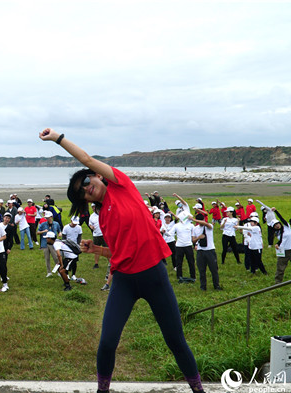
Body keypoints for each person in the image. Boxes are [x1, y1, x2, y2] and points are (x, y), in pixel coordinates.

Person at [39, 128, 205, 393]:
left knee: (175, 340)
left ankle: (198, 389)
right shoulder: (102, 216)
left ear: (94, 176)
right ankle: (102, 390)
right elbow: (118, 253)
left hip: (154, 275)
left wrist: (58, 138)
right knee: (107, 343)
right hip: (125, 281)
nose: (86, 190)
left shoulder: (120, 185)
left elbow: (87, 160)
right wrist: (95, 249)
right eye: (82, 195)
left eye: (85, 183)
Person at [271, 208, 291, 284]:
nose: (277, 226)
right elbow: (281, 240)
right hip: (282, 251)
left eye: (277, 224)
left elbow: (281, 218)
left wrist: (276, 211)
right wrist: (277, 244)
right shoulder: (277, 233)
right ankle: (278, 283)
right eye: (275, 225)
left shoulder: (287, 227)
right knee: (280, 268)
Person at [191, 216, 221, 291]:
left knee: (214, 269)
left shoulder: (209, 226)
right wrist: (198, 238)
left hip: (210, 250)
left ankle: (216, 285)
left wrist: (194, 220)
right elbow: (193, 240)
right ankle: (203, 286)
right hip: (200, 251)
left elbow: (205, 224)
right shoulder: (195, 228)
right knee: (201, 270)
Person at [168, 211, 196, 283]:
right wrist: (165, 232)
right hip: (179, 246)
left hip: (188, 246)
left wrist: (195, 244)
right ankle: (179, 276)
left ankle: (193, 276)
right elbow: (170, 233)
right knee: (179, 262)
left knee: (191, 262)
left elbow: (193, 236)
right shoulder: (176, 225)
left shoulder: (191, 226)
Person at [37, 211, 61, 277]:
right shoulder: (43, 224)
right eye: (46, 218)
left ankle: (59, 271)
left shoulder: (56, 224)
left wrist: (60, 233)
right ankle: (49, 272)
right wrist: (43, 231)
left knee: (56, 258)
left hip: (54, 243)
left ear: (51, 217)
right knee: (47, 258)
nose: (47, 219)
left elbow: (59, 230)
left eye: (48, 218)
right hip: (45, 243)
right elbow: (37, 232)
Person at [89, 205, 106, 269]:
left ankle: (112, 263)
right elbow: (90, 224)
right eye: (93, 207)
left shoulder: (104, 213)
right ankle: (96, 264)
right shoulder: (92, 216)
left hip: (104, 235)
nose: (94, 208)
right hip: (96, 235)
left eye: (95, 207)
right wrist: (91, 227)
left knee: (107, 249)